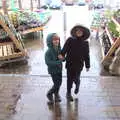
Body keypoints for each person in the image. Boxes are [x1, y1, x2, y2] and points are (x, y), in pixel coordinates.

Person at [59, 25, 90, 101]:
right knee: (69, 79)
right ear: (75, 32)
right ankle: (68, 93)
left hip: (79, 65)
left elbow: (86, 55)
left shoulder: (85, 43)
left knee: (76, 78)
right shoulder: (70, 40)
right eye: (77, 30)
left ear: (83, 33)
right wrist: (61, 54)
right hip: (69, 63)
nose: (79, 32)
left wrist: (87, 65)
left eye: (80, 31)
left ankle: (77, 84)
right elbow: (64, 49)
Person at [45, 33, 63, 103]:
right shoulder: (48, 52)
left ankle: (56, 94)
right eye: (54, 40)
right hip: (53, 71)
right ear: (50, 41)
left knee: (60, 82)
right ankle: (49, 93)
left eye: (58, 39)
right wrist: (59, 61)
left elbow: (62, 58)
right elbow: (48, 62)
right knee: (57, 83)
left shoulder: (59, 49)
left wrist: (63, 58)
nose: (56, 41)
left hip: (59, 69)